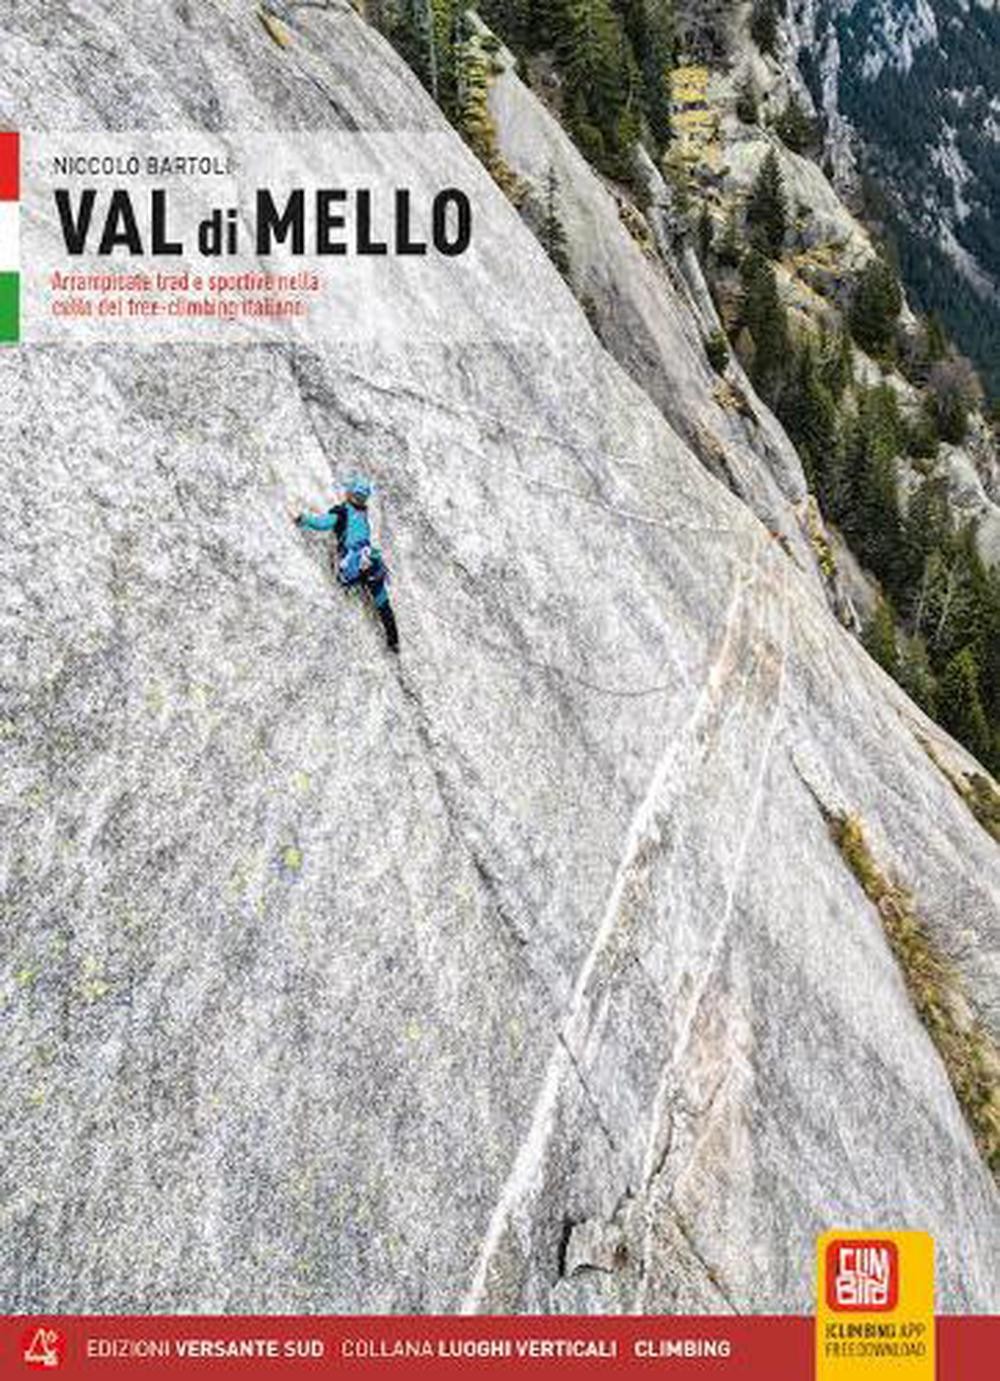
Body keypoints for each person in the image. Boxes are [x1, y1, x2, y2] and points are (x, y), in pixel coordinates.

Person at [294, 475, 399, 652]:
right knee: (382, 601)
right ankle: (393, 641)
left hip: (352, 567)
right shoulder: (363, 512)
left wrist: (303, 519)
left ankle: (393, 640)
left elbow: (322, 524)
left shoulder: (342, 512)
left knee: (358, 579)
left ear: (349, 493)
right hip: (370, 562)